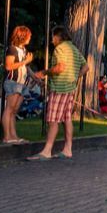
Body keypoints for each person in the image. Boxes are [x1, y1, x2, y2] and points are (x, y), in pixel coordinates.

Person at [29, 27, 90, 160]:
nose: (52, 40)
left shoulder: (60, 48)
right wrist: (75, 77)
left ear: (58, 36)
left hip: (59, 89)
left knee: (53, 119)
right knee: (67, 119)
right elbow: (86, 67)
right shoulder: (74, 48)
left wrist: (44, 73)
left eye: (53, 37)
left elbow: (60, 67)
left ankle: (47, 150)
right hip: (70, 88)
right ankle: (68, 149)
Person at [2, 25, 34, 143]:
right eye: (29, 35)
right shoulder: (12, 49)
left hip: (22, 83)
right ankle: (7, 136)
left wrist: (36, 77)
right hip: (13, 82)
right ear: (23, 36)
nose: (30, 38)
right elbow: (9, 66)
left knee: (14, 111)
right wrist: (25, 61)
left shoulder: (24, 50)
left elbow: (26, 67)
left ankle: (14, 136)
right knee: (9, 109)